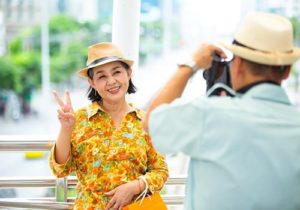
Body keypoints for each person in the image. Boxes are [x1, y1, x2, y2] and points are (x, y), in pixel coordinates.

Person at [144, 12, 300, 210]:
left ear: (239, 65)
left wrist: (191, 65)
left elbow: (150, 121)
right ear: (286, 71)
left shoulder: (210, 114)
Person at [49, 42, 168, 210]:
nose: (111, 81)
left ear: (128, 73)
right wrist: (66, 128)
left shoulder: (145, 122)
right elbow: (60, 170)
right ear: (92, 82)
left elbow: (160, 172)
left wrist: (134, 187)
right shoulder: (79, 119)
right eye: (101, 76)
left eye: (117, 72)